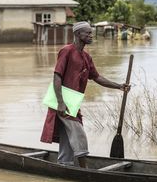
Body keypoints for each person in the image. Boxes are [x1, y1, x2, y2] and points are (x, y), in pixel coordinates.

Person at [40, 21, 130, 168]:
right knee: (78, 133)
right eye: (87, 33)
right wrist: (60, 102)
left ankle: (64, 164)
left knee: (66, 135)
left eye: (90, 32)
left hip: (74, 102)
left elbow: (97, 77)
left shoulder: (87, 57)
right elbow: (57, 76)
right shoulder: (67, 51)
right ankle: (84, 168)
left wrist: (119, 86)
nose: (90, 35)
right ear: (77, 34)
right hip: (63, 100)